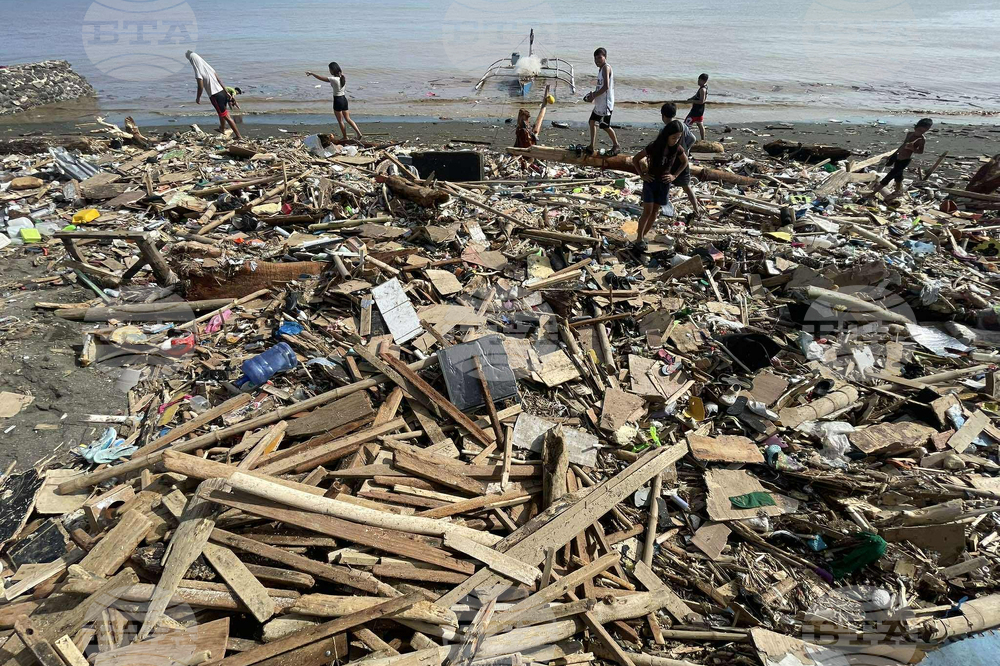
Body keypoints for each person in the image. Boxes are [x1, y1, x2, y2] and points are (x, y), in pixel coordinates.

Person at [631, 120, 693, 252]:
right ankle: (639, 238)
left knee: (655, 212)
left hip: (664, 183)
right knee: (647, 211)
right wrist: (642, 175)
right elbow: (635, 159)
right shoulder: (654, 146)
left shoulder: (677, 148)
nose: (676, 140)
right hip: (651, 181)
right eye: (674, 137)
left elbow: (685, 162)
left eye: (678, 137)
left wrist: (674, 176)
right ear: (667, 135)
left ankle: (642, 236)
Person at [868, 118, 933, 200]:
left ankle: (873, 193)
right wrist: (893, 155)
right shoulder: (910, 134)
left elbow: (920, 151)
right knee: (898, 176)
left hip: (905, 160)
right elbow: (903, 145)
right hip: (898, 157)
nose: (920, 132)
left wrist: (912, 148)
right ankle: (898, 191)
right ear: (916, 127)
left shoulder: (922, 139)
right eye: (919, 130)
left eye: (923, 131)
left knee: (890, 176)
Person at [185, 51, 242, 139]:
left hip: (215, 96)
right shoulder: (209, 68)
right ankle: (222, 129)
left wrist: (198, 98)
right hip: (222, 92)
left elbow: (200, 86)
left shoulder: (198, 71)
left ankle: (239, 136)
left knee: (226, 116)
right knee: (222, 113)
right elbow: (219, 81)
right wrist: (226, 92)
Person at [306, 62, 363, 141]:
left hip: (338, 100)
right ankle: (359, 133)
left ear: (333, 70)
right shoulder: (342, 77)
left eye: (330, 69)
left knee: (340, 121)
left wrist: (312, 73)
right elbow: (340, 73)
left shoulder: (333, 79)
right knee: (348, 119)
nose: (329, 71)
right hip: (344, 99)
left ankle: (345, 137)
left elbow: (321, 78)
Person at [584, 48, 620, 156]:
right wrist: (592, 95)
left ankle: (616, 145)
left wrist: (594, 95)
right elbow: (600, 87)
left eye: (600, 57)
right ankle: (591, 146)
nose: (597, 60)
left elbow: (606, 87)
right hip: (600, 104)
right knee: (592, 121)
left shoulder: (606, 68)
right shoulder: (600, 70)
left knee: (604, 126)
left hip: (606, 104)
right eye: (595, 58)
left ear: (605, 57)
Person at [685, 73, 709, 140]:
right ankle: (703, 139)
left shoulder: (702, 90)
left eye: (699, 80)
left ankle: (686, 139)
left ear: (704, 81)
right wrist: (691, 99)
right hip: (700, 110)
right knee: (700, 124)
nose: (698, 81)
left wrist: (692, 101)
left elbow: (702, 101)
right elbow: (696, 96)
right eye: (698, 79)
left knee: (686, 124)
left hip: (696, 111)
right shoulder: (704, 87)